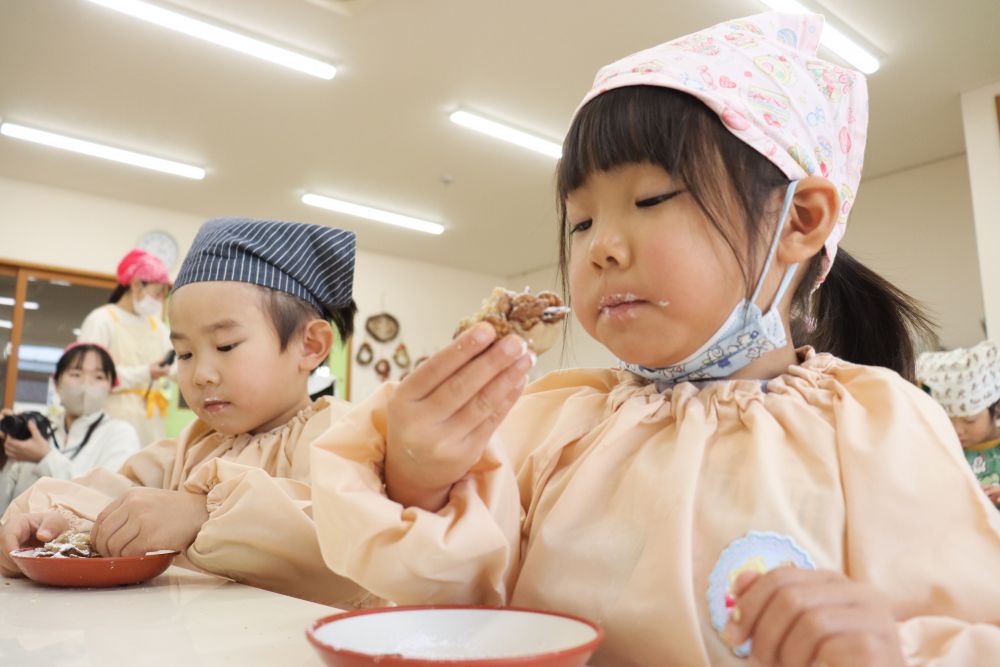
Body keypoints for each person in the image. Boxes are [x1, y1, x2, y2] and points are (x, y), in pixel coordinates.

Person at [309, 12, 1000, 666]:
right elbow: (456, 601)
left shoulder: (877, 425)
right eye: (580, 223)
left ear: (801, 221)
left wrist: (887, 649)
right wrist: (419, 472)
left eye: (650, 200)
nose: (601, 248)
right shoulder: (553, 422)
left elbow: (971, 629)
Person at [1, 218, 371, 607]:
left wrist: (201, 513)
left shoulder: (340, 436)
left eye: (226, 346)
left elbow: (345, 542)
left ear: (310, 345)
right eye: (185, 354)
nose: (200, 375)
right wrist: (55, 523)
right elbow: (113, 495)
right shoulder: (188, 447)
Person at [0, 343, 141, 513]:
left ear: (111, 387)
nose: (85, 384)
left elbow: (106, 499)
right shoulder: (38, 427)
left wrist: (45, 457)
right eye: (76, 374)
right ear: (57, 382)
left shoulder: (121, 433)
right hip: (15, 534)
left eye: (98, 377)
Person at [78, 248, 174, 446]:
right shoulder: (102, 320)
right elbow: (90, 376)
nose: (158, 301)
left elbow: (176, 367)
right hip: (110, 421)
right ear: (136, 285)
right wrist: (146, 372)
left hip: (150, 424)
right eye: (156, 293)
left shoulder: (157, 326)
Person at [917, 341, 1000, 507]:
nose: (957, 430)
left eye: (969, 420)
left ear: (997, 407)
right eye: (947, 420)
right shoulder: (947, 452)